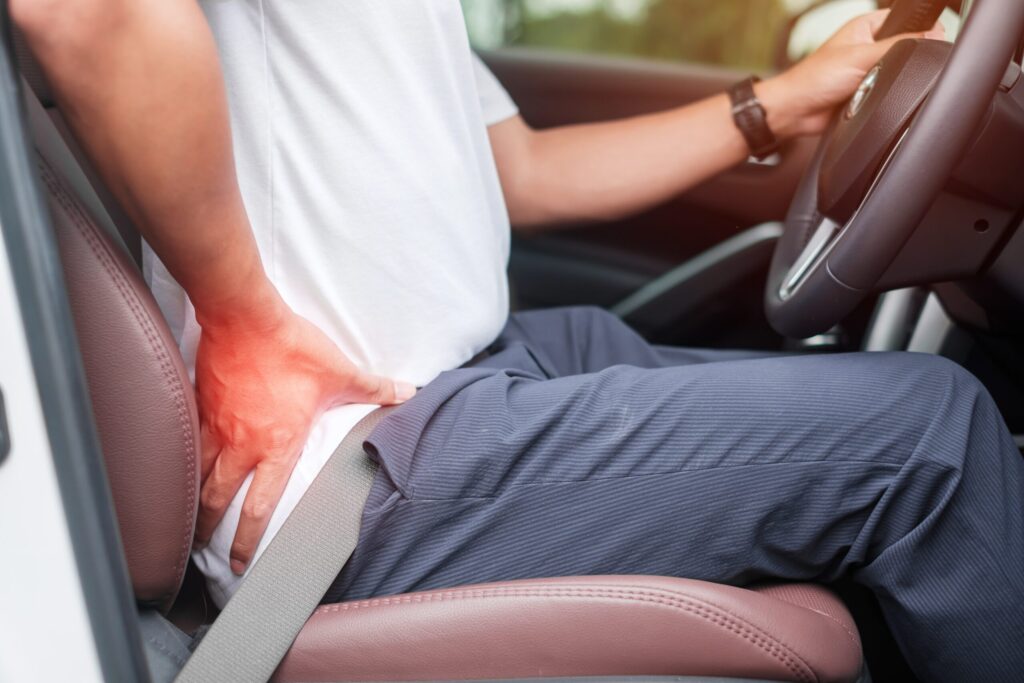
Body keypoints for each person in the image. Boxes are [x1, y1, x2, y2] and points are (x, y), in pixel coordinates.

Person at [14, 2, 1023, 680]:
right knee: (926, 436)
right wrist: (241, 313)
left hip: (488, 362)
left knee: (818, 398)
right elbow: (85, 14)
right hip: (357, 454)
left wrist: (784, 103)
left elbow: (525, 170)